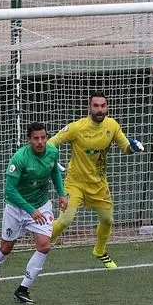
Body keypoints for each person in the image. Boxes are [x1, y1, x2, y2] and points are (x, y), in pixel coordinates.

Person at [47, 91, 143, 269]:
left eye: (103, 106)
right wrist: (53, 161)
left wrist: (133, 148)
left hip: (99, 184)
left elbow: (125, 147)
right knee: (65, 221)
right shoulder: (77, 127)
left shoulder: (112, 126)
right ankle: (43, 243)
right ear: (89, 108)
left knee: (108, 220)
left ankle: (99, 251)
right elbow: (51, 143)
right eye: (96, 106)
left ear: (107, 107)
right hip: (74, 182)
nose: (100, 109)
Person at [0, 122, 68, 304]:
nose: (40, 142)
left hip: (41, 206)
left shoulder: (52, 152)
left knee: (45, 246)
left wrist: (61, 193)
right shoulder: (19, 159)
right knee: (6, 248)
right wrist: (30, 210)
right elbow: (9, 191)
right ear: (29, 140)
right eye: (36, 138)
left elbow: (54, 172)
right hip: (16, 207)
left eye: (43, 137)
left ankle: (23, 289)